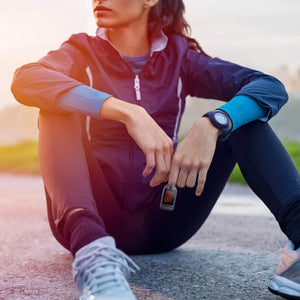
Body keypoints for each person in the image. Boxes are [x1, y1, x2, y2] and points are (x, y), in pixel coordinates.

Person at [11, 0, 300, 299]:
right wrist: (125, 111)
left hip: (166, 217)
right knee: (54, 107)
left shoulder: (180, 58)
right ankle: (94, 262)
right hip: (91, 217)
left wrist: (213, 123)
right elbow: (27, 79)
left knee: (242, 119)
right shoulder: (81, 50)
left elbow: (269, 86)